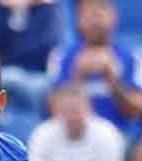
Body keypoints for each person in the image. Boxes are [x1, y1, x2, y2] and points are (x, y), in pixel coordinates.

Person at [47, 0, 142, 135]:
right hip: (73, 137)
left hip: (121, 135)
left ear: (114, 16)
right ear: (78, 20)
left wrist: (112, 80)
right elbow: (52, 109)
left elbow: (138, 111)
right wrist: (78, 75)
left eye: (101, 11)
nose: (95, 20)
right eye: (88, 13)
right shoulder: (61, 56)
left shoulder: (133, 57)